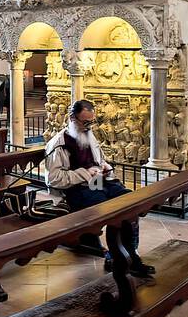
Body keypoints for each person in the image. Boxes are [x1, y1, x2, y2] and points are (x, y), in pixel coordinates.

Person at [42, 97, 144, 275]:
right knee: (113, 210)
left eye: (92, 122)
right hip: (76, 191)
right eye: (85, 122)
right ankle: (116, 257)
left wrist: (105, 167)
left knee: (130, 200)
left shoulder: (89, 136)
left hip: (98, 182)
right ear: (73, 119)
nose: (89, 126)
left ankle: (131, 253)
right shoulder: (59, 144)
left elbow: (99, 160)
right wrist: (85, 173)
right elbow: (53, 178)